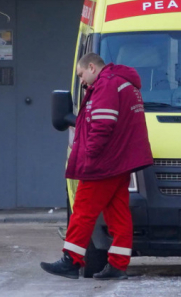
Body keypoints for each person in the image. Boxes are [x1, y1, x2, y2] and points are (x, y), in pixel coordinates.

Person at [41, 53, 152, 280]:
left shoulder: (107, 85)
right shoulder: (123, 84)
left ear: (92, 67)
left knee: (82, 210)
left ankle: (71, 261)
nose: (81, 81)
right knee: (118, 212)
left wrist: (89, 157)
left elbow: (102, 125)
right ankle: (118, 265)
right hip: (119, 162)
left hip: (104, 163)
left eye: (81, 75)